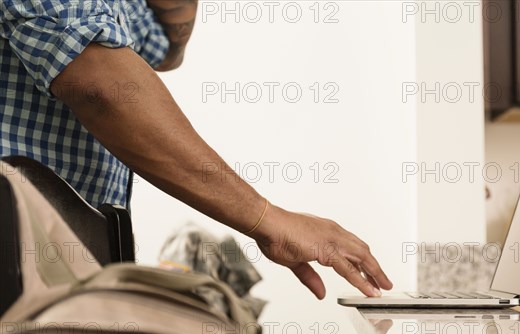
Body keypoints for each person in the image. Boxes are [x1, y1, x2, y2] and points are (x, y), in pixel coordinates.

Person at [0, 0, 392, 299]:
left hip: (67, 268)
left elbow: (161, 47)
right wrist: (266, 218)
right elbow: (98, 81)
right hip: (14, 265)